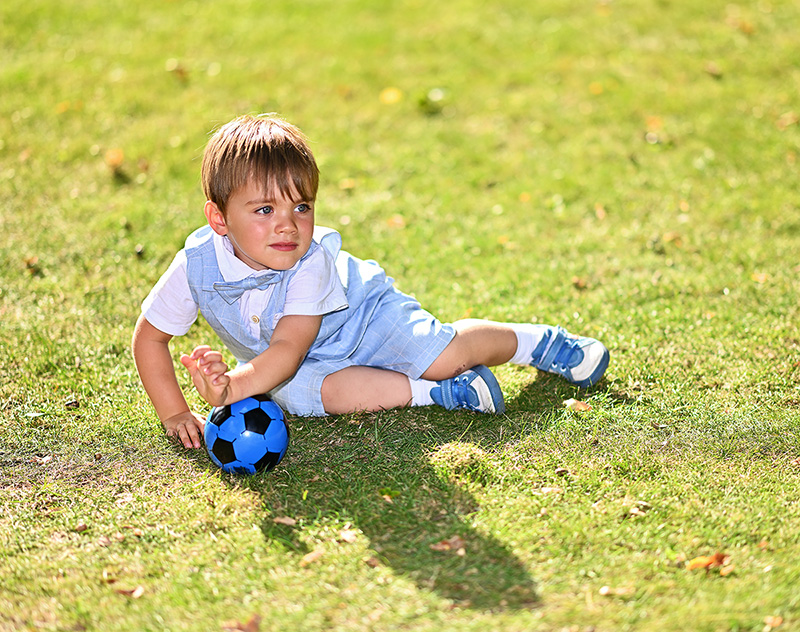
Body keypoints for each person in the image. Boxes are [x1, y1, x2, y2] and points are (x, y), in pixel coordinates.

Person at [131, 114, 609, 449]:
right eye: (264, 210)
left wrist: (231, 389)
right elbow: (150, 337)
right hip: (294, 361)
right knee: (314, 398)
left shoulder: (309, 261)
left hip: (361, 318)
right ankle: (444, 394)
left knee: (442, 356)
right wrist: (174, 412)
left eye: (302, 207)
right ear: (218, 219)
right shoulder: (195, 266)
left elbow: (288, 349)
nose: (288, 225)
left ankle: (535, 343)